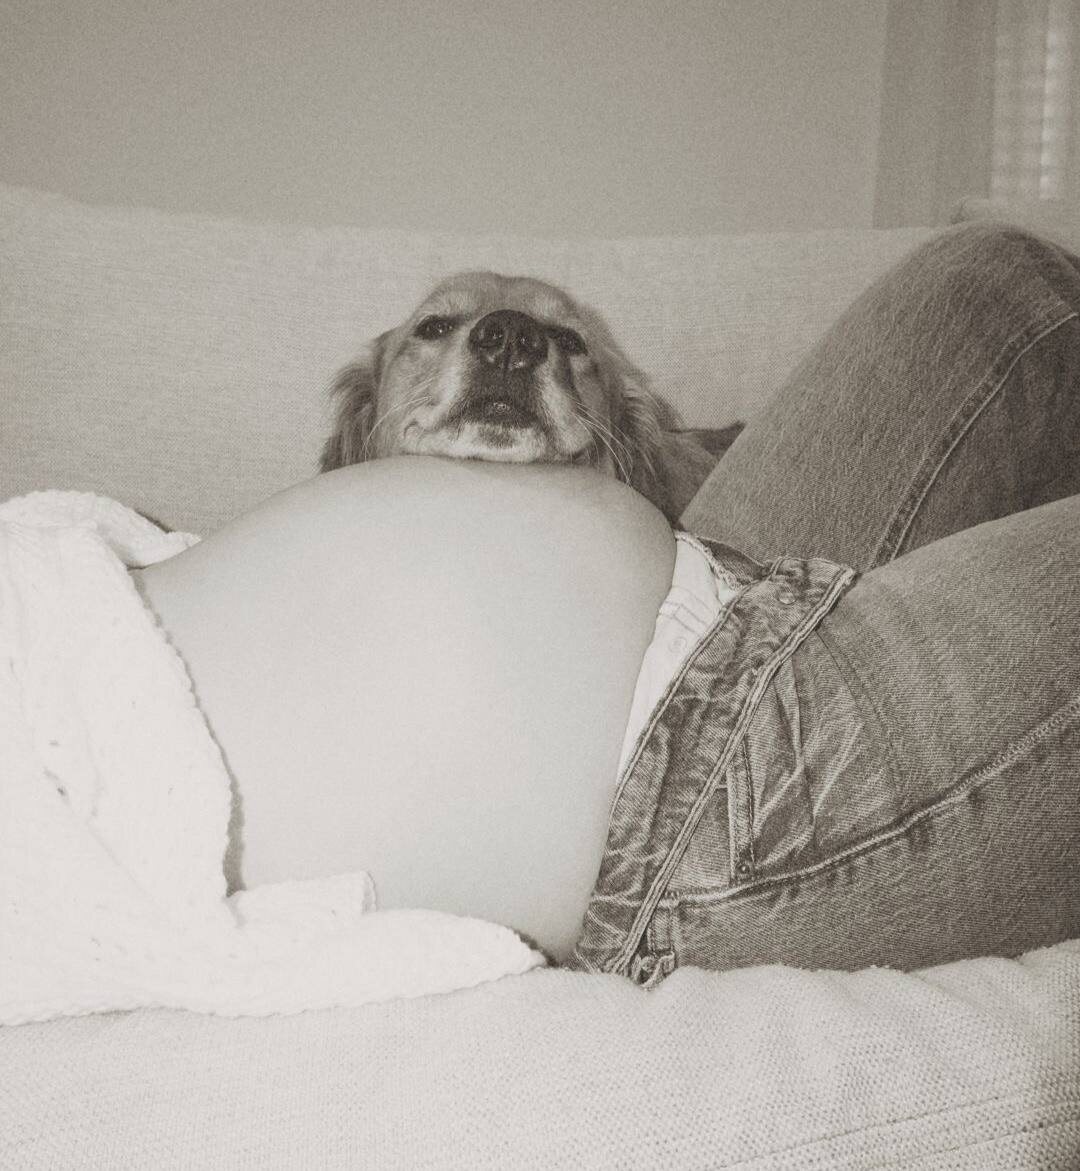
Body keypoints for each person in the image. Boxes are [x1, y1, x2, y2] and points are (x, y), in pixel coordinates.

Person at [132, 222, 1080, 982]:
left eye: (564, 342)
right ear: (361, 428)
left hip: (725, 598)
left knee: (997, 276)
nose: (506, 341)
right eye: (438, 328)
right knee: (1007, 286)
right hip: (686, 782)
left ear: (612, 437)